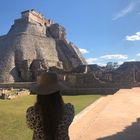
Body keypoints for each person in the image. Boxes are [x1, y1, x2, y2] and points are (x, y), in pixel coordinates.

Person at [26, 72, 75, 140]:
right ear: (58, 92)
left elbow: (30, 125)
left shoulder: (31, 112)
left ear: (40, 93)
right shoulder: (69, 110)